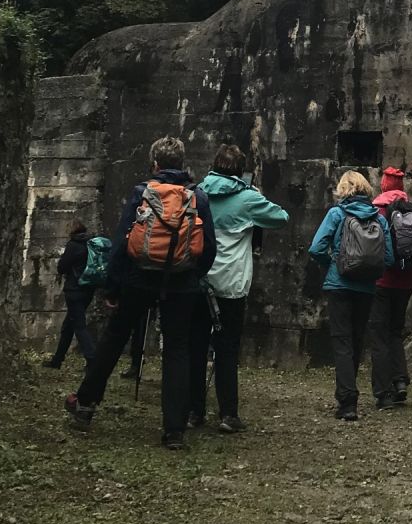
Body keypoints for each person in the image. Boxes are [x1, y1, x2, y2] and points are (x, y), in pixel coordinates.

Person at [64, 136, 216, 449]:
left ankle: (85, 404)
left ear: (155, 163)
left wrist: (113, 286)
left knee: (114, 339)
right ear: (182, 163)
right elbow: (209, 247)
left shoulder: (142, 193)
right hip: (181, 282)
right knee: (177, 350)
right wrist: (192, 276)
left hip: (138, 278)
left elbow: (121, 243)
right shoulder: (197, 196)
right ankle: (174, 430)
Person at [189, 145, 289, 433]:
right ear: (240, 170)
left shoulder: (197, 194)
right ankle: (227, 413)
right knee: (227, 349)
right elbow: (281, 218)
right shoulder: (247, 199)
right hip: (231, 284)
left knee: (195, 347)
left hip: (199, 280)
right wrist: (256, 196)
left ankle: (194, 411)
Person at [308, 170, 393, 421]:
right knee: (356, 341)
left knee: (342, 341)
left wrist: (332, 264)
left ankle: (347, 401)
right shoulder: (379, 219)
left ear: (343, 190)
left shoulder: (337, 214)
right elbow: (387, 257)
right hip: (366, 288)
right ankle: (349, 394)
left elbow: (316, 247)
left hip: (340, 285)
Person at [370, 167, 412, 409]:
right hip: (406, 281)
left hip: (381, 280)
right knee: (395, 331)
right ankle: (400, 382)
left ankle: (383, 392)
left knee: (379, 335)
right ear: (402, 187)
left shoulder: (376, 210)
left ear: (384, 185)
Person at [45, 220, 98, 370]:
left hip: (74, 290)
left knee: (79, 325)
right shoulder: (90, 244)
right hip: (88, 289)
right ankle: (57, 360)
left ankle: (92, 359)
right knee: (68, 326)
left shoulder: (73, 245)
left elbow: (62, 267)